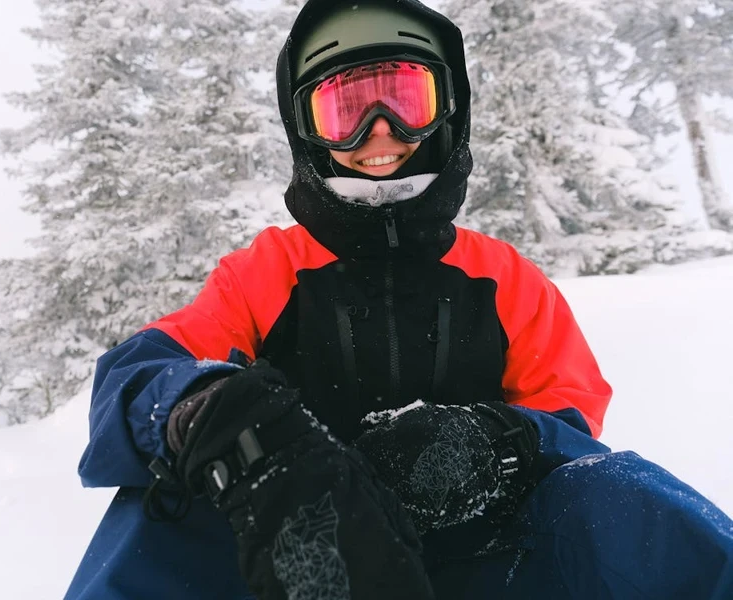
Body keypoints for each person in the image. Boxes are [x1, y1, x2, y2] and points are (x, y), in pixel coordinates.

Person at [64, 1, 733, 598]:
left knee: (619, 493)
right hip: (296, 561)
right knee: (158, 506)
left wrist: (494, 444)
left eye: (403, 101)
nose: (378, 133)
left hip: (485, 557)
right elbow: (135, 381)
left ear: (446, 110)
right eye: (345, 111)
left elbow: (570, 430)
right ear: (307, 129)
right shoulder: (265, 272)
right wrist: (214, 420)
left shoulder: (505, 280)